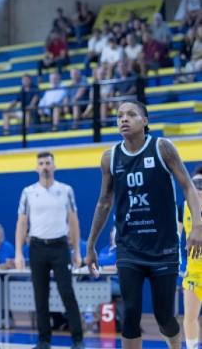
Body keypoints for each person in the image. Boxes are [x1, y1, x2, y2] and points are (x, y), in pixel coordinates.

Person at [85, 100, 202, 349]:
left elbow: (188, 187)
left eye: (131, 114)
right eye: (119, 116)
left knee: (164, 318)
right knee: (130, 314)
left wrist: (198, 226)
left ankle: (175, 346)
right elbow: (103, 203)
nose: (123, 119)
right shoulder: (110, 158)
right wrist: (91, 244)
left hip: (164, 249)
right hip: (129, 249)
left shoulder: (162, 148)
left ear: (145, 121)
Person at [15, 152, 84, 349]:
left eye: (48, 163)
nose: (45, 166)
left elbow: (74, 221)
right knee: (40, 295)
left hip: (60, 247)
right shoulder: (28, 192)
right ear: (37, 168)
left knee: (67, 293)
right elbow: (21, 223)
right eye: (41, 163)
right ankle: (44, 340)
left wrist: (77, 251)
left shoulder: (66, 190)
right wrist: (19, 253)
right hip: (37, 247)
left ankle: (78, 339)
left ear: (54, 167)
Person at [182, 174, 202, 349]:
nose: (199, 188)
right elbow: (173, 236)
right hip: (194, 271)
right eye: (195, 184)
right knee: (189, 317)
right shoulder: (185, 207)